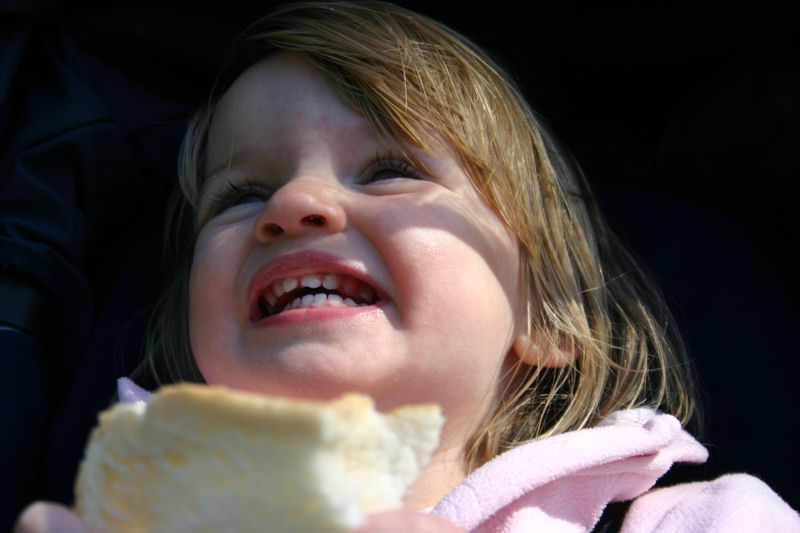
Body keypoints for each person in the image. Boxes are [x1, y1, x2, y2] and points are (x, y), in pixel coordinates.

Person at [14, 2, 800, 531]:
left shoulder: (698, 519)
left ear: (545, 313)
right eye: (240, 194)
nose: (294, 202)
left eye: (389, 171)